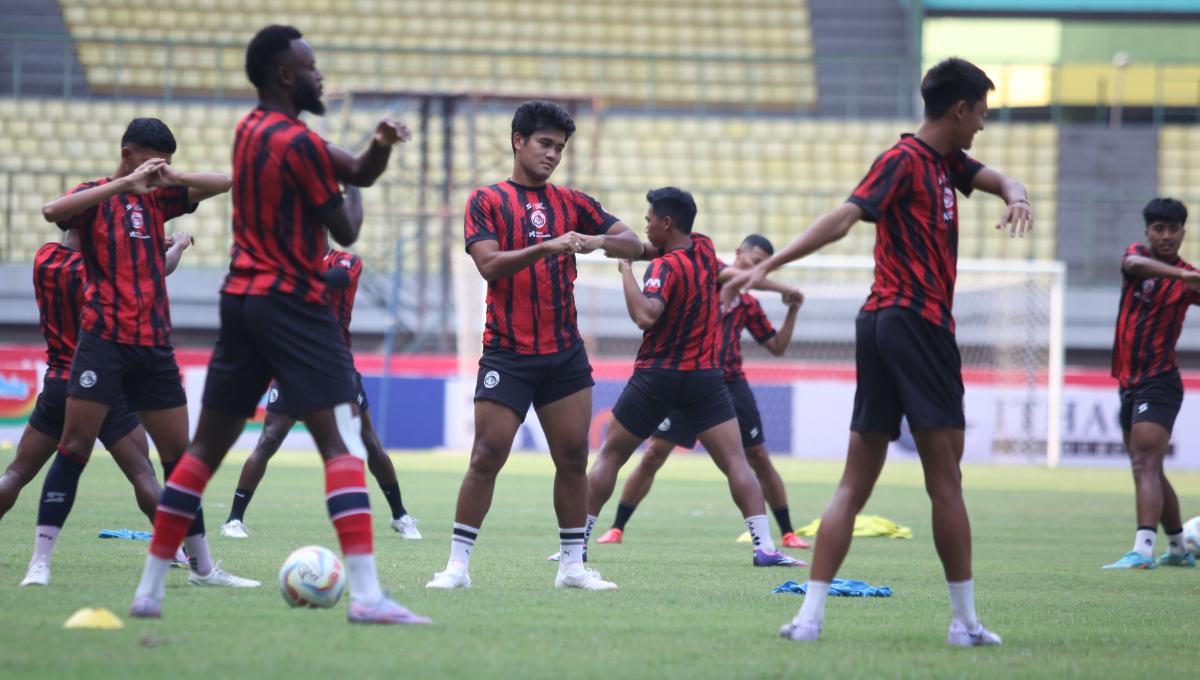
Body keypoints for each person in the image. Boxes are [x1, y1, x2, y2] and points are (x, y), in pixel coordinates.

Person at [725, 58, 1033, 646]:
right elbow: (843, 219)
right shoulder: (904, 161)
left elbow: (999, 180)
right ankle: (964, 623)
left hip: (883, 324)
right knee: (945, 482)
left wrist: (1015, 195)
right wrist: (768, 265)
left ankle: (810, 619)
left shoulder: (949, 164)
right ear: (960, 109)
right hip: (916, 324)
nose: (983, 127)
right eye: (982, 115)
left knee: (855, 483)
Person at [128, 24, 428, 625]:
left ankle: (150, 592)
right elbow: (345, 226)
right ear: (285, 75)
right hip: (294, 303)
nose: (320, 75)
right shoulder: (301, 145)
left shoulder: (249, 130)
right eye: (312, 67)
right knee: (341, 447)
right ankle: (367, 598)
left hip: (240, 299)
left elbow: (353, 168)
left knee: (204, 450)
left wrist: (376, 146)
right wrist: (372, 158)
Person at [425, 100, 644, 592]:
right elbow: (489, 264)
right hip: (508, 351)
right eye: (545, 144)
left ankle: (572, 567)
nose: (552, 155)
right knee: (487, 453)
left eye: (560, 148)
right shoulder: (486, 200)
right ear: (518, 141)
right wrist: (547, 246)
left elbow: (636, 243)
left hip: (563, 353)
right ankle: (457, 567)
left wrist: (596, 241)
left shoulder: (575, 203)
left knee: (571, 459)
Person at [36, 117, 257, 590]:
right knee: (73, 448)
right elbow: (52, 211)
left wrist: (171, 179)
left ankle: (203, 569)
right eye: (154, 161)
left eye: (167, 165)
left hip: (153, 345)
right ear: (127, 153)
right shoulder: (97, 196)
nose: (159, 171)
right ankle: (40, 562)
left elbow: (228, 183)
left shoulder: (159, 200)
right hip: (103, 342)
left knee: (180, 458)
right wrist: (122, 184)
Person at [583, 189, 805, 569]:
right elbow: (728, 273)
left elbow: (645, 316)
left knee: (611, 456)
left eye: (650, 218)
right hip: (705, 377)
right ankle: (765, 547)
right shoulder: (704, 249)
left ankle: (576, 546)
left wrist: (625, 272)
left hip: (658, 374)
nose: (646, 223)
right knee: (737, 462)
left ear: (666, 222)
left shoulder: (666, 268)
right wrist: (784, 288)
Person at [2, 228, 190, 585]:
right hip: (102, 383)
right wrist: (177, 244)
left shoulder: (44, 258)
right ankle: (180, 550)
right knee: (142, 475)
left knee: (17, 473)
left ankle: (41, 559)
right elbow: (156, 271)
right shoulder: (97, 269)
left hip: (58, 383)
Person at [220, 248, 421, 540]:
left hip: (335, 365)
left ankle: (400, 515)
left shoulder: (344, 261)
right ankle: (234, 520)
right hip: (292, 364)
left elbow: (336, 279)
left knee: (368, 442)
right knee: (269, 439)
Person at [1103, 197, 1197, 570]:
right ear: (1148, 232)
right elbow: (1133, 264)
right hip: (1128, 382)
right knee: (1149, 468)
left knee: (1144, 462)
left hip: (1160, 381)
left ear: (1183, 233)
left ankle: (1142, 550)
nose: (1167, 235)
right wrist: (1183, 277)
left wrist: (1190, 279)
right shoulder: (1139, 258)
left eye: (1173, 229)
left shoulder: (1190, 279)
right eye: (1159, 228)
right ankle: (1177, 548)